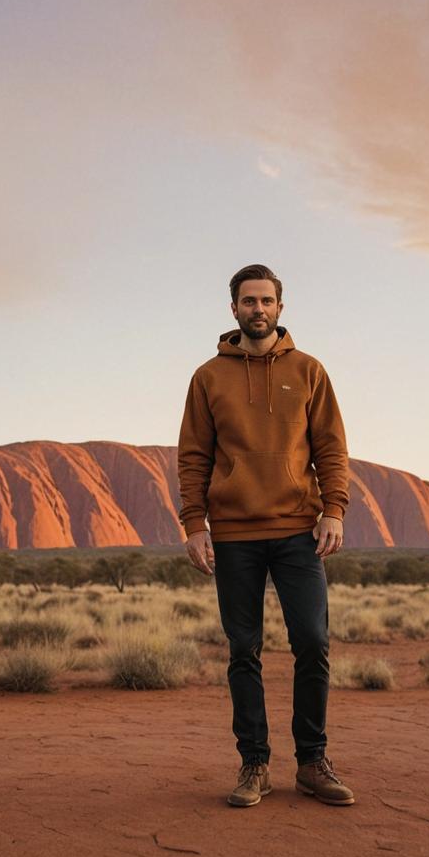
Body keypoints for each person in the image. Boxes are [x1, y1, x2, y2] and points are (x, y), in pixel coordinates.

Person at [177, 263, 355, 808]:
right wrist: (194, 524)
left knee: (313, 642)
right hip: (233, 534)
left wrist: (335, 509)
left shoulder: (309, 371)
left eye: (266, 300)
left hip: (298, 530)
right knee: (244, 650)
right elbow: (194, 456)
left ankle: (312, 762)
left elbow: (330, 446)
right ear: (232, 308)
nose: (258, 309)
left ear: (281, 306)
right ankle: (254, 763)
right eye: (248, 301)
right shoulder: (208, 377)